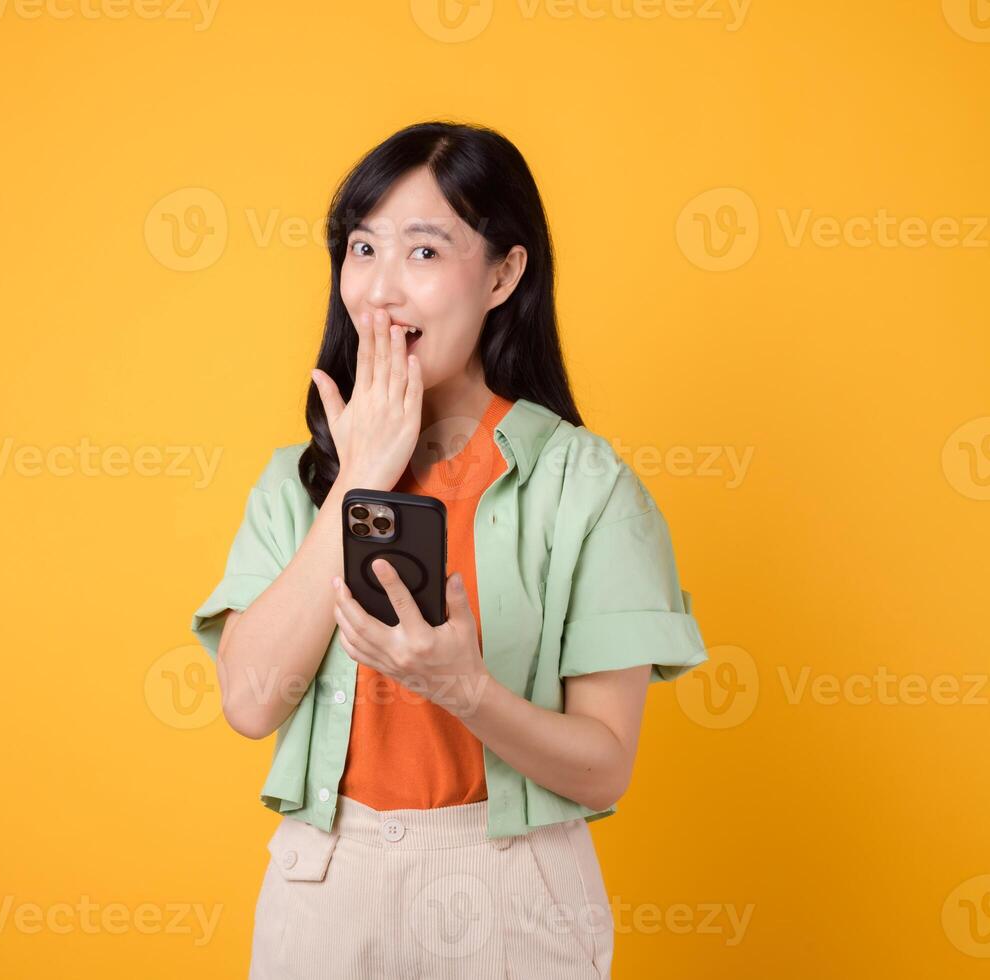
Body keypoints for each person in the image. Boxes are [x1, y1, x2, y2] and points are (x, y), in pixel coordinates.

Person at [189, 120, 709, 980]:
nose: (381, 292)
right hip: (327, 881)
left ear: (504, 273)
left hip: (514, 890)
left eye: (424, 253)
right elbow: (249, 702)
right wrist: (358, 479)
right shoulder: (299, 479)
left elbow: (604, 768)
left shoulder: (585, 486)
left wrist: (464, 689)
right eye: (363, 248)